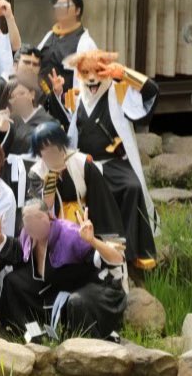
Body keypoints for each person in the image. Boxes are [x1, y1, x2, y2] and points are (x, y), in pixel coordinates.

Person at [53, 50, 158, 268]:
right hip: (86, 165)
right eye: (86, 72)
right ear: (78, 73)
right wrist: (57, 93)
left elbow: (151, 92)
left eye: (98, 71)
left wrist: (124, 73)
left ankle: (131, 252)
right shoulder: (75, 97)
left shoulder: (118, 92)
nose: (92, 78)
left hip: (114, 162)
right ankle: (90, 250)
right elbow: (63, 124)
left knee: (132, 186)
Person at [0, 199, 127, 341]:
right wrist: (0, 238)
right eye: (28, 219)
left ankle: (90, 339)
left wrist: (92, 240)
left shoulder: (71, 234)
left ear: (50, 216)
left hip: (92, 289)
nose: (34, 223)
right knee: (12, 282)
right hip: (56, 288)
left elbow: (116, 259)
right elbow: (19, 249)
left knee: (77, 302)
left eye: (38, 217)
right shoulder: (28, 234)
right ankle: (32, 332)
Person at [28, 122, 124, 238]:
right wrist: (52, 175)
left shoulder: (83, 163)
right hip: (54, 228)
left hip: (86, 221)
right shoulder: (36, 173)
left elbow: (101, 202)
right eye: (44, 149)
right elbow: (43, 208)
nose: (51, 152)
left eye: (54, 146)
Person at [0, 77, 56, 213]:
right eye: (12, 97)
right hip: (9, 178)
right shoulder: (6, 120)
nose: (17, 99)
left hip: (36, 176)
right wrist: (2, 129)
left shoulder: (48, 121)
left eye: (21, 93)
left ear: (32, 94)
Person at [37, 0, 97, 93]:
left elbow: (91, 81)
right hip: (41, 96)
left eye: (64, 5)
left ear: (77, 11)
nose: (60, 9)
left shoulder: (86, 43)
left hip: (66, 99)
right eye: (57, 6)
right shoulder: (49, 35)